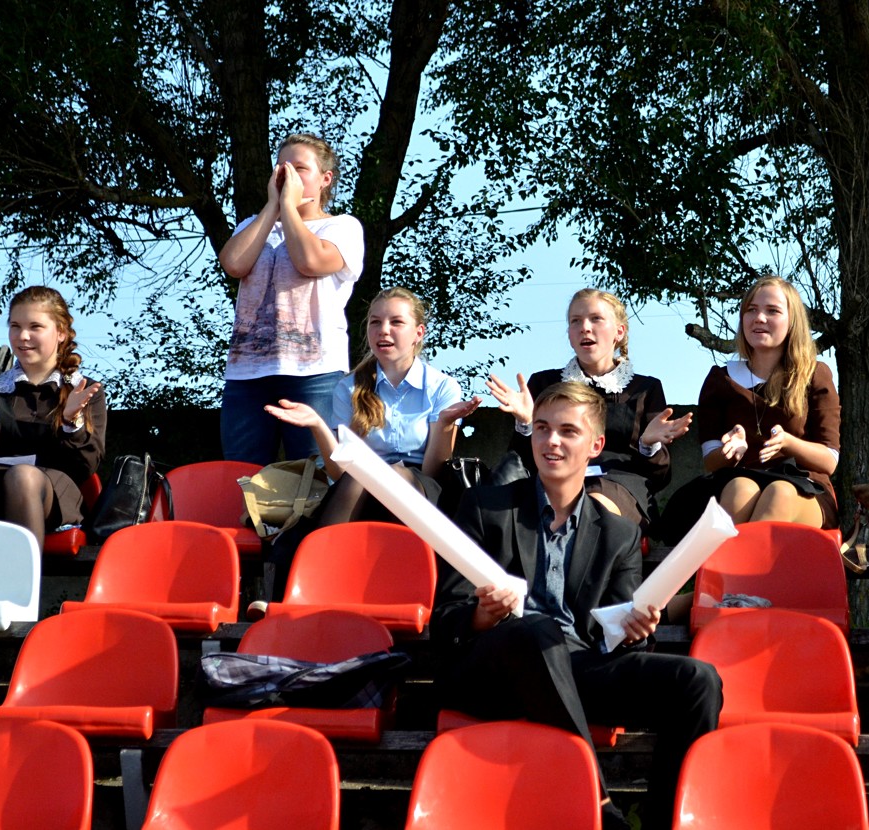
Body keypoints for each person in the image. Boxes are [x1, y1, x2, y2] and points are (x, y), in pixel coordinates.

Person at [433, 382, 722, 830]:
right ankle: (599, 804)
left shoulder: (620, 534)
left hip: (577, 668)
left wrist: (636, 630)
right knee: (537, 630)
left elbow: (616, 639)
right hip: (495, 670)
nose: (551, 441)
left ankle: (665, 823)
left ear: (596, 446)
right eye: (542, 428)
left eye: (568, 431)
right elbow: (446, 618)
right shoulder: (485, 507)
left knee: (698, 680)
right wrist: (482, 615)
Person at [259, 288, 477, 604]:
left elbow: (434, 471)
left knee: (389, 474)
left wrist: (444, 425)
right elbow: (339, 473)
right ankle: (313, 590)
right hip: (360, 483)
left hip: (420, 485)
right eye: (375, 322)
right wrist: (318, 426)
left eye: (396, 322)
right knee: (360, 476)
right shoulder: (348, 387)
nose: (383, 330)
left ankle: (393, 588)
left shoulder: (442, 387)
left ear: (418, 333)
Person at [485, 288, 691, 529]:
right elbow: (522, 463)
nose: (584, 327)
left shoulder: (645, 388)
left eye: (596, 319)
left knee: (592, 507)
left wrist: (648, 445)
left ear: (619, 332)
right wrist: (527, 424)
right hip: (552, 482)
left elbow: (659, 478)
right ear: (569, 335)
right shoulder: (544, 383)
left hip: (619, 488)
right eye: (575, 321)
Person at [217, 133, 365, 465]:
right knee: (242, 475)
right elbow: (234, 263)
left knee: (317, 473)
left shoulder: (342, 227)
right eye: (283, 168)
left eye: (300, 169)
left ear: (325, 179)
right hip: (247, 375)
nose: (289, 176)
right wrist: (273, 207)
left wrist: (289, 208)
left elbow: (310, 262)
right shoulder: (253, 225)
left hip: (315, 373)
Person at [672, 276, 839, 535]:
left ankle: (738, 563)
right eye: (751, 310)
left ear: (792, 321)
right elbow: (711, 462)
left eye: (772, 311)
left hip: (804, 488)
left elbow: (829, 461)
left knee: (779, 492)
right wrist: (731, 452)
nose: (759, 318)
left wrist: (788, 443)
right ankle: (739, 562)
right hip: (739, 481)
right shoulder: (721, 379)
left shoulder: (814, 374)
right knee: (741, 489)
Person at [0, 286, 107, 551]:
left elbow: (85, 468)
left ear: (61, 333)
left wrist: (71, 422)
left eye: (35, 327)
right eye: (15, 326)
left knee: (23, 477)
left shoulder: (84, 390)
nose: (23, 336)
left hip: (53, 495)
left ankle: (25, 577)